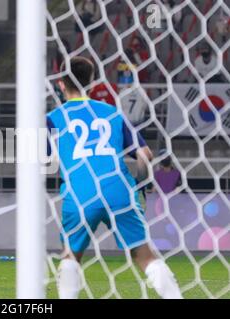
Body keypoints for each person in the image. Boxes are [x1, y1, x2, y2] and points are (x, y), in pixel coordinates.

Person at [46, 56, 183, 299]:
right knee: (144, 255)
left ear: (60, 84)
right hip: (119, 189)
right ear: (91, 82)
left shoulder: (54, 118)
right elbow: (145, 154)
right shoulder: (112, 113)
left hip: (81, 192)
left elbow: (42, 159)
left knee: (71, 255)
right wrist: (141, 184)